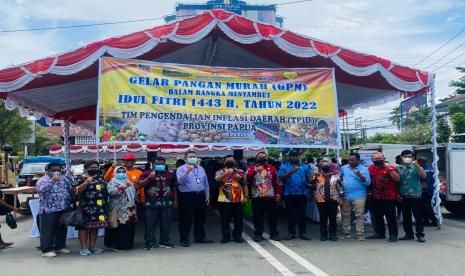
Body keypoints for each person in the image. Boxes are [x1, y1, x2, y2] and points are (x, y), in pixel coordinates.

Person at [138, 157, 178, 250]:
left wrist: (176, 200)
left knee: (166, 223)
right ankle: (150, 242)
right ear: (153, 164)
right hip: (151, 203)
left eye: (161, 164)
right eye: (157, 164)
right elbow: (140, 185)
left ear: (165, 164)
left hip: (166, 202)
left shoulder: (170, 174)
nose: (159, 165)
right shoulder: (146, 173)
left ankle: (164, 241)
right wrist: (149, 178)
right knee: (150, 224)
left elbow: (174, 188)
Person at [36, 162, 74, 258]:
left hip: (63, 207)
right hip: (48, 209)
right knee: (47, 230)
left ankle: (59, 246)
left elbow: (70, 188)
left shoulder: (64, 178)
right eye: (53, 170)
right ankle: (46, 249)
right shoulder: (43, 180)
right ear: (48, 171)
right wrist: (53, 180)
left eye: (58, 170)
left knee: (61, 228)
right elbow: (41, 190)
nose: (56, 172)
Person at [176, 151, 213, 247]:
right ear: (185, 158)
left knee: (200, 218)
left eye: (194, 156)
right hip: (187, 196)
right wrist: (187, 172)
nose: (193, 157)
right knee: (186, 218)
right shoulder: (181, 168)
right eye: (190, 156)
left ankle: (200, 237)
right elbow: (180, 181)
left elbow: (205, 182)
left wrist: (207, 195)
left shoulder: (201, 168)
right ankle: (184, 239)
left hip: (200, 195)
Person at [246, 151, 282, 242]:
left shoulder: (272, 168)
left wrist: (278, 193)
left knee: (272, 216)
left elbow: (277, 182)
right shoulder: (251, 168)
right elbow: (246, 179)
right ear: (256, 158)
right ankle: (258, 234)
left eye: (263, 156)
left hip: (270, 196)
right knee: (258, 217)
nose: (262, 158)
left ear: (267, 157)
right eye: (260, 157)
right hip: (256, 196)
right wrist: (256, 170)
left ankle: (274, 233)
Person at [74, 160, 108, 256]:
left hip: (98, 207)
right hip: (84, 207)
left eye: (96, 167)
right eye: (91, 168)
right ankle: (84, 248)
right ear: (86, 169)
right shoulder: (80, 178)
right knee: (83, 228)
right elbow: (76, 191)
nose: (94, 169)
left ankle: (92, 247)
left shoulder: (100, 177)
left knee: (94, 227)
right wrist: (86, 182)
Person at [278, 151, 312, 240]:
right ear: (289, 157)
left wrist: (309, 192)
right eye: (292, 156)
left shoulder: (305, 166)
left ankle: (303, 232)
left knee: (302, 214)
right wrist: (291, 171)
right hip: (289, 194)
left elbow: (310, 180)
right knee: (290, 214)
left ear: (298, 156)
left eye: (296, 156)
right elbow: (280, 178)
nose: (294, 158)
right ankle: (291, 232)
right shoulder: (284, 166)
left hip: (302, 193)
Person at [367, 153, 400, 242]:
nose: (377, 160)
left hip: (388, 196)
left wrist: (390, 169)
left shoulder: (391, 167)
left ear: (383, 158)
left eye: (379, 158)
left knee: (390, 217)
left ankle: (393, 235)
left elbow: (397, 179)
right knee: (377, 216)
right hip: (375, 196)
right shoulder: (370, 168)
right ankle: (380, 233)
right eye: (376, 158)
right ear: (372, 159)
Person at [215, 155, 248, 244]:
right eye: (228, 160)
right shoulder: (220, 171)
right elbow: (217, 180)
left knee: (238, 219)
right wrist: (226, 173)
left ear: (235, 162)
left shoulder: (240, 171)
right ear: (224, 162)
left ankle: (237, 236)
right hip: (224, 199)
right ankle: (226, 237)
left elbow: (245, 184)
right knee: (225, 219)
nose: (230, 161)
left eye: (232, 160)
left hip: (238, 199)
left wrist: (246, 196)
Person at [397, 150, 427, 242]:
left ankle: (420, 234)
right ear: (401, 157)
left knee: (418, 216)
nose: (407, 158)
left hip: (416, 196)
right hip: (403, 196)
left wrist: (417, 166)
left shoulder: (416, 167)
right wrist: (398, 193)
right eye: (405, 156)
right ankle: (408, 234)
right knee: (406, 217)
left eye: (409, 156)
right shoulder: (398, 168)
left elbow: (423, 176)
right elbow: (396, 182)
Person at [340, 153, 371, 241]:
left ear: (358, 160)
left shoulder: (364, 169)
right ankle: (346, 233)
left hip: (359, 195)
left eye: (353, 160)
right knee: (345, 214)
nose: (351, 162)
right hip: (346, 195)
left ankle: (360, 234)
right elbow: (340, 177)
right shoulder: (344, 168)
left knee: (359, 215)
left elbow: (368, 183)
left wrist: (359, 175)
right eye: (349, 160)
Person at [106, 166, 138, 251]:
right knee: (120, 228)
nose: (121, 173)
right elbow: (112, 192)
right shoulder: (112, 182)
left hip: (130, 209)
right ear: (115, 173)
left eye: (123, 171)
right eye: (119, 172)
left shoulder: (129, 181)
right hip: (118, 209)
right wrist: (123, 186)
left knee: (129, 227)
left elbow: (134, 194)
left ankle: (128, 245)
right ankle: (119, 246)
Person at [314, 160, 343, 241]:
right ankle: (323, 235)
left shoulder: (336, 176)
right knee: (323, 218)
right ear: (320, 167)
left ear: (330, 167)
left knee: (333, 218)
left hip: (333, 200)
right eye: (323, 165)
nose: (325, 167)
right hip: (320, 200)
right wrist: (313, 177)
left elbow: (340, 188)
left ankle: (333, 235)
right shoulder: (317, 176)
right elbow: (310, 184)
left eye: (327, 165)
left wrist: (341, 198)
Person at [418, 157, 438, 227]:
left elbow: (422, 179)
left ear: (420, 162)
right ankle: (432, 221)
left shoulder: (423, 169)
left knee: (424, 206)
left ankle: (429, 221)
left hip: (424, 190)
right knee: (428, 206)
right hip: (431, 190)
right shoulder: (431, 168)